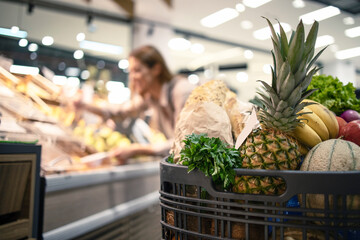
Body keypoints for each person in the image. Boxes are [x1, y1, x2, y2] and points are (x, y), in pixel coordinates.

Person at [73, 45, 196, 164]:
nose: (132, 77)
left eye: (137, 70)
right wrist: (84, 105)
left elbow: (186, 142)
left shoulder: (182, 91)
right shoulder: (151, 96)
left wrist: (139, 149)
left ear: (156, 69)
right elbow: (121, 112)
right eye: (130, 72)